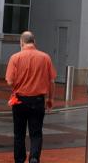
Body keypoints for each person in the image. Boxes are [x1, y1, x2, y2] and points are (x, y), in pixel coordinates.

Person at [6, 30, 56, 163]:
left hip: (19, 100)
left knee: (19, 134)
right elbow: (52, 81)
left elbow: (10, 81)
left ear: (21, 42)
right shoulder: (45, 57)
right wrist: (50, 99)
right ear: (34, 42)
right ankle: (34, 157)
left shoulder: (15, 58)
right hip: (38, 100)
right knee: (36, 133)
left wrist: (19, 85)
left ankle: (19, 159)